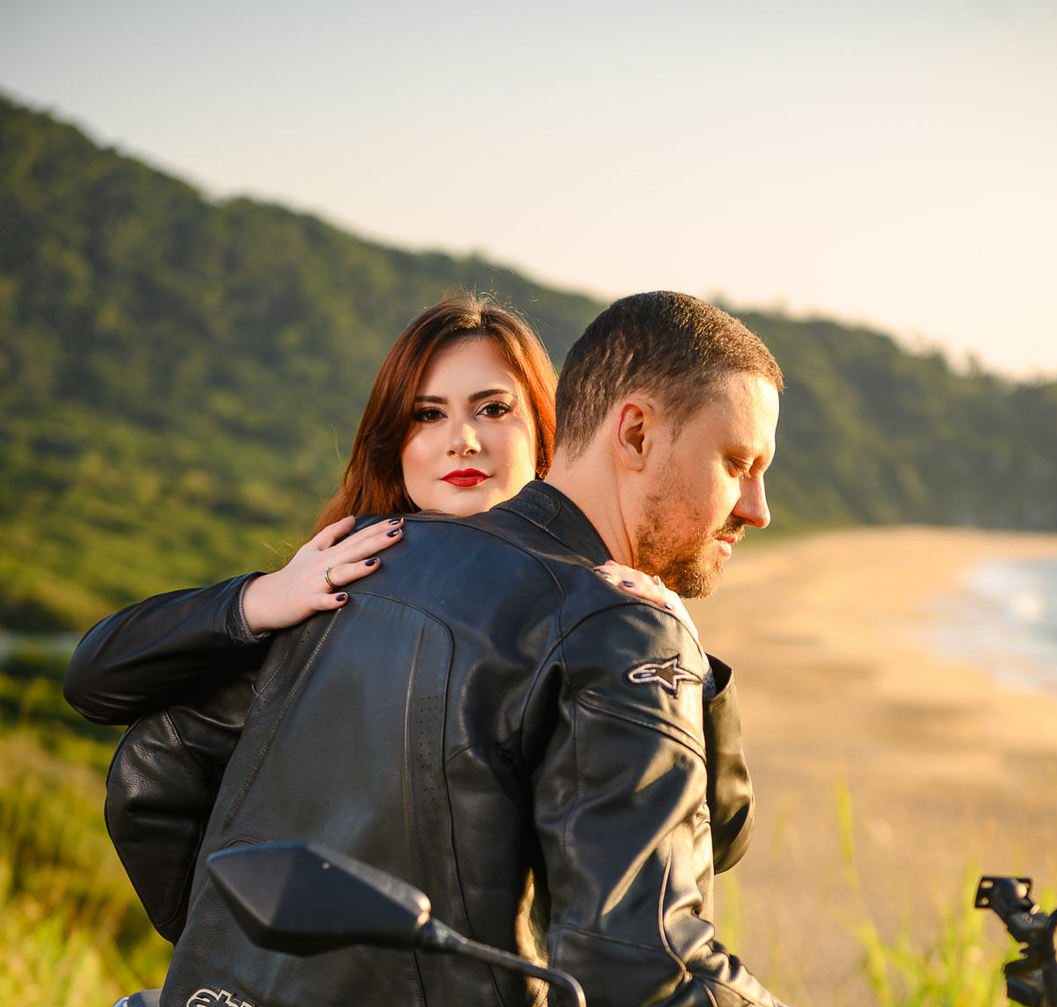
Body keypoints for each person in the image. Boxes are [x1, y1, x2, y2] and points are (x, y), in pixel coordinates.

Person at [101, 290, 835, 1007]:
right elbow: (644, 969)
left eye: (493, 410)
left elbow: (151, 773)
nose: (756, 508)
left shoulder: (356, 562)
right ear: (633, 435)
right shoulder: (615, 628)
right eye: (739, 462)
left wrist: (257, 965)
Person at [65, 294, 750, 940]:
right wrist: (258, 601)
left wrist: (689, 666)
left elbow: (709, 839)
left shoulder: (600, 613)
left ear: (548, 432)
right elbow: (99, 686)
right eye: (428, 415)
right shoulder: (338, 590)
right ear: (395, 441)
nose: (461, 440)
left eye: (491, 409)